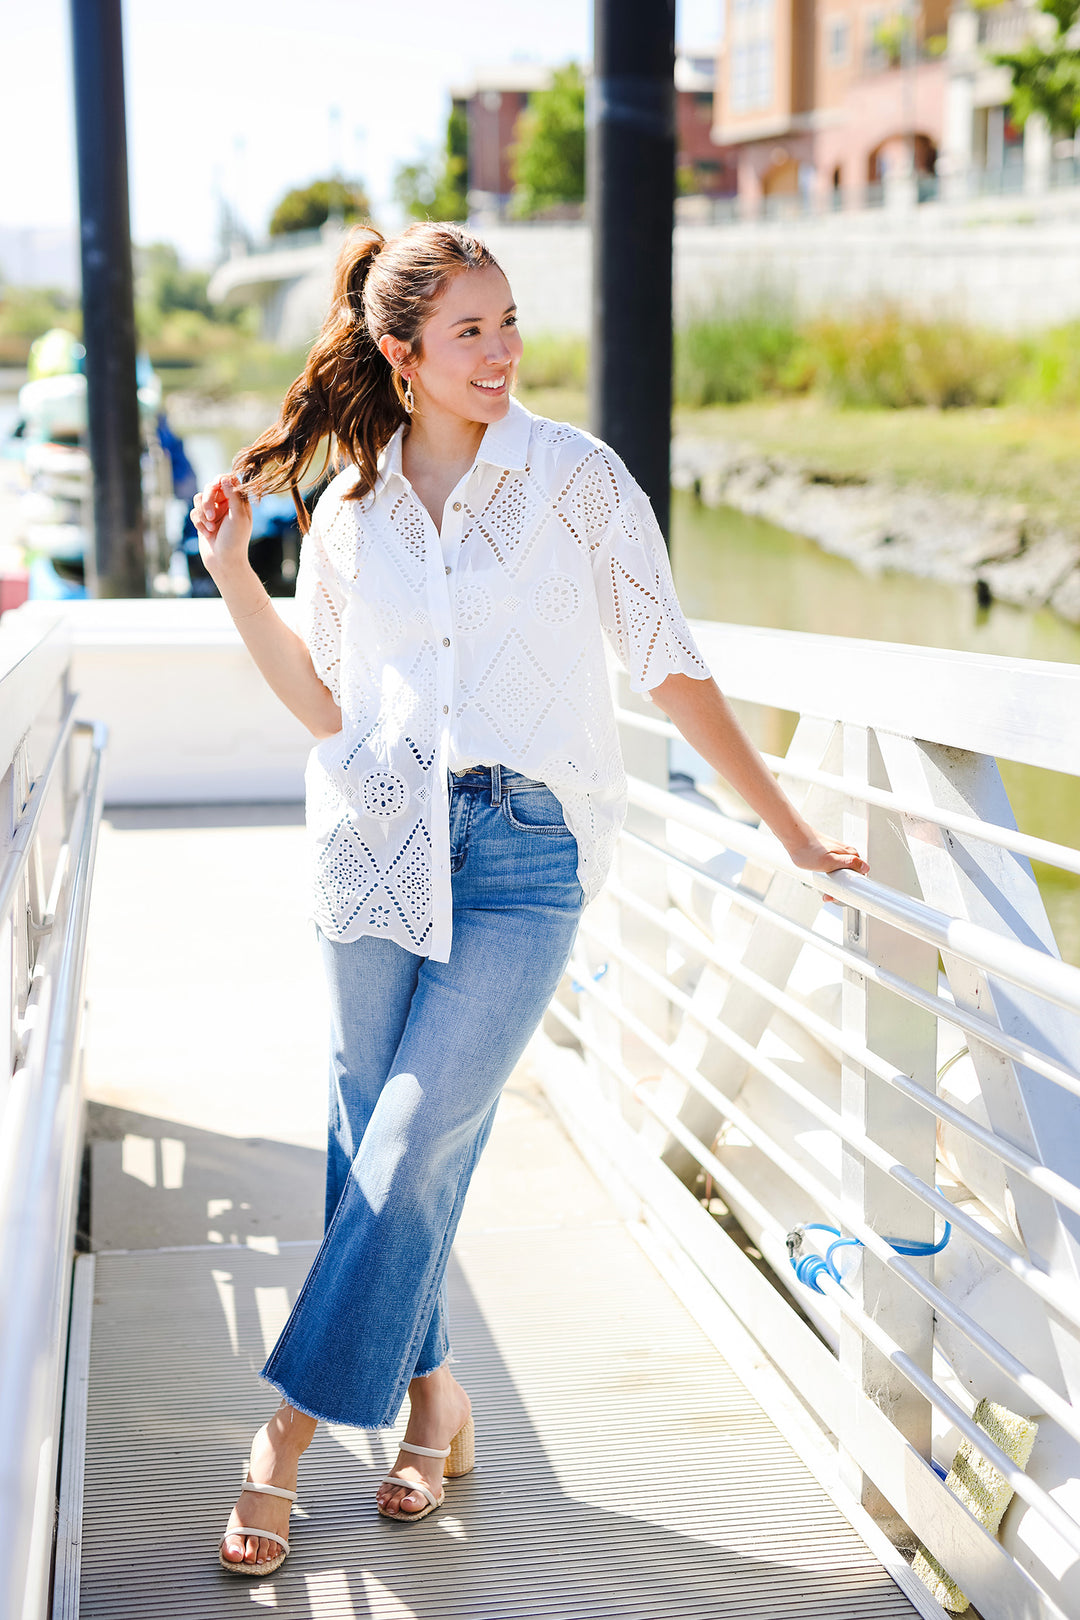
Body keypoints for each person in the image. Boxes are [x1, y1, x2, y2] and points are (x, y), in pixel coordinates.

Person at [192, 221, 868, 1577]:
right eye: (471, 333)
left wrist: (784, 822)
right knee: (371, 1138)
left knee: (417, 1128)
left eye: (509, 323)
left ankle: (284, 1434)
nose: (505, 353)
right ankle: (437, 1407)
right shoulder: (346, 514)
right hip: (369, 849)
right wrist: (231, 582)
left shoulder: (575, 480)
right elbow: (327, 706)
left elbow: (668, 665)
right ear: (402, 357)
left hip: (525, 854)